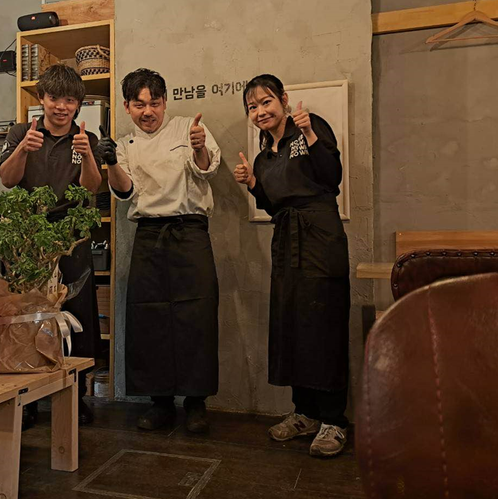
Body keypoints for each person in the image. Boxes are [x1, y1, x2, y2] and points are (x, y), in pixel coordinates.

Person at [96, 68, 220, 433]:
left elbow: (207, 169)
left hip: (190, 231)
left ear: (165, 102)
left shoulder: (189, 128)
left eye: (154, 103)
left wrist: (199, 147)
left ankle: (196, 403)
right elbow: (125, 191)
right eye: (139, 105)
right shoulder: (125, 145)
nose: (147, 111)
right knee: (149, 318)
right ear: (127, 107)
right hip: (149, 234)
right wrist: (111, 162)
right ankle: (160, 402)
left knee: (197, 315)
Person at [233, 74, 351, 457]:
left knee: (324, 324)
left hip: (320, 237)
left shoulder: (309, 128)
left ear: (283, 100)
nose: (260, 111)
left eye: (266, 102)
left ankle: (334, 420)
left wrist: (311, 136)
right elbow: (273, 206)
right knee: (293, 325)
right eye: (252, 107)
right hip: (286, 240)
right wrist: (253, 183)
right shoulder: (264, 156)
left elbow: (332, 177)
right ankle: (305, 413)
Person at [0, 63, 102, 426]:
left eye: (70, 100)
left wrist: (87, 154)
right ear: (41, 98)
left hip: (71, 234)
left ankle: (76, 395)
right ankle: (25, 396)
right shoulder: (20, 132)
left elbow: (92, 187)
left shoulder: (86, 137)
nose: (61, 106)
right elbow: (7, 180)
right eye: (54, 98)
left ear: (78, 104)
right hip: (29, 234)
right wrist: (23, 150)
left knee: (78, 311)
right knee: (25, 313)